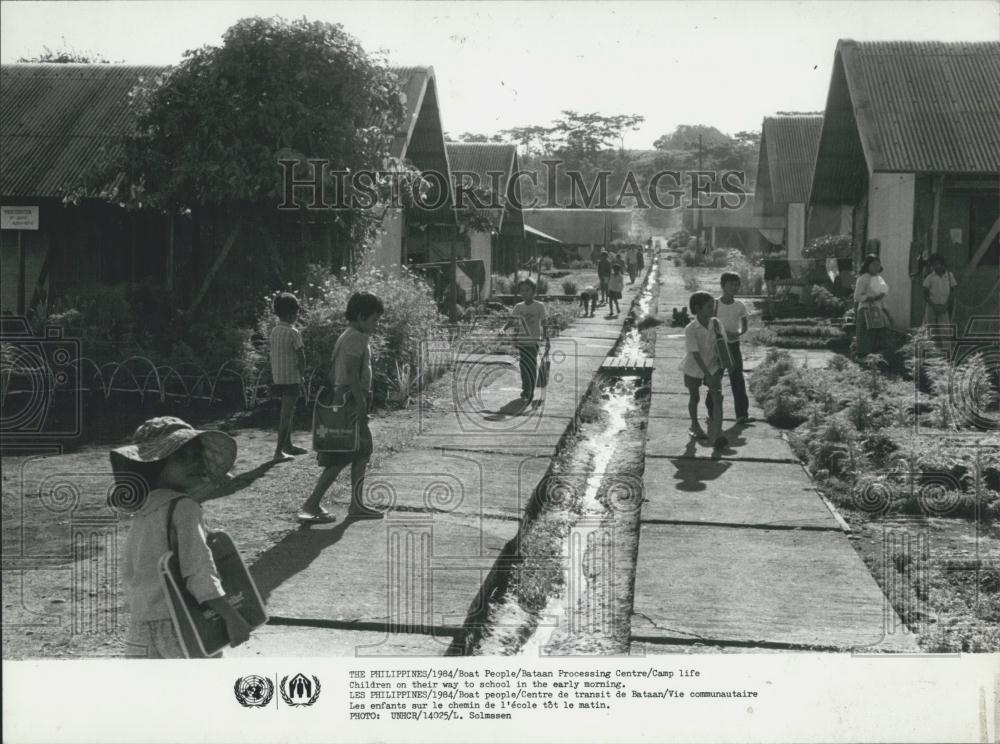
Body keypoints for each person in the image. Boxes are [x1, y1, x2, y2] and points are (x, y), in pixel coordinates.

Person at [112, 416, 251, 658]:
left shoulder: (143, 511)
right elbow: (199, 570)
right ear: (155, 464)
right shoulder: (184, 508)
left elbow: (131, 573)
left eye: (197, 455)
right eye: (181, 456)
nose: (195, 463)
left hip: (140, 627)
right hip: (181, 623)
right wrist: (231, 616)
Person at [299, 292, 386, 522]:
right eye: (375, 319)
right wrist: (360, 405)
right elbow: (351, 374)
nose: (377, 324)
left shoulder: (348, 335)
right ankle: (311, 504)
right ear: (361, 316)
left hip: (344, 398)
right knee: (343, 455)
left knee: (360, 451)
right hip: (350, 400)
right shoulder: (356, 337)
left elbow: (334, 373)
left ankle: (355, 504)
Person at [681, 292, 728, 451]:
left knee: (717, 398)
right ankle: (695, 425)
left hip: (713, 365)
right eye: (709, 306)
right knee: (694, 397)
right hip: (694, 367)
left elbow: (722, 346)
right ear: (697, 308)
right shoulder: (691, 329)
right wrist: (707, 375)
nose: (712, 309)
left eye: (713, 306)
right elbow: (695, 354)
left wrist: (720, 368)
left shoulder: (716, 324)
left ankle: (719, 434)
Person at [268, 292, 309, 462]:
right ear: (291, 313)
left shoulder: (275, 331)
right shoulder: (293, 332)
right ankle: (278, 452)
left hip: (279, 378)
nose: (298, 315)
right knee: (286, 414)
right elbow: (301, 357)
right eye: (297, 312)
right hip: (292, 378)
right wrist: (303, 374)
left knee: (287, 412)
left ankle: (288, 445)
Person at [712, 272, 752, 425]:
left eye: (737, 285)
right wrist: (723, 333)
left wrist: (738, 333)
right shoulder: (715, 304)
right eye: (731, 284)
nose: (734, 287)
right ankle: (712, 413)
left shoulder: (740, 305)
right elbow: (710, 324)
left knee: (737, 379)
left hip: (734, 345)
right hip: (718, 346)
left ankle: (742, 415)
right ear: (723, 286)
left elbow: (744, 326)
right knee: (715, 379)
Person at [503, 278, 547, 402]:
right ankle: (526, 389)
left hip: (533, 342)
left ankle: (529, 391)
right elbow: (511, 321)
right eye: (522, 290)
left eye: (527, 290)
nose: (524, 293)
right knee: (523, 366)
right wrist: (503, 329)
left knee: (530, 366)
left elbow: (544, 322)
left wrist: (545, 337)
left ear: (533, 291)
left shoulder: (539, 306)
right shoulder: (518, 307)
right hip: (521, 341)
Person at [853, 254, 890, 358]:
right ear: (867, 265)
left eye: (878, 265)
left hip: (877, 311)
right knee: (865, 338)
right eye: (873, 265)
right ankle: (863, 358)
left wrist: (888, 314)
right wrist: (870, 298)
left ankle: (874, 360)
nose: (876, 267)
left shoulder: (879, 279)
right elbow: (857, 296)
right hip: (865, 310)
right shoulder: (863, 278)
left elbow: (881, 298)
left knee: (877, 338)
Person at [922, 254, 957, 328]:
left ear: (942, 264)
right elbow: (925, 295)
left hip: (944, 307)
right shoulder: (930, 277)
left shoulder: (949, 276)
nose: (936, 266)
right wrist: (934, 306)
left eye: (937, 264)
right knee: (930, 329)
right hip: (932, 308)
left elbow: (953, 292)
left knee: (945, 330)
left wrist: (946, 305)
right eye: (933, 265)